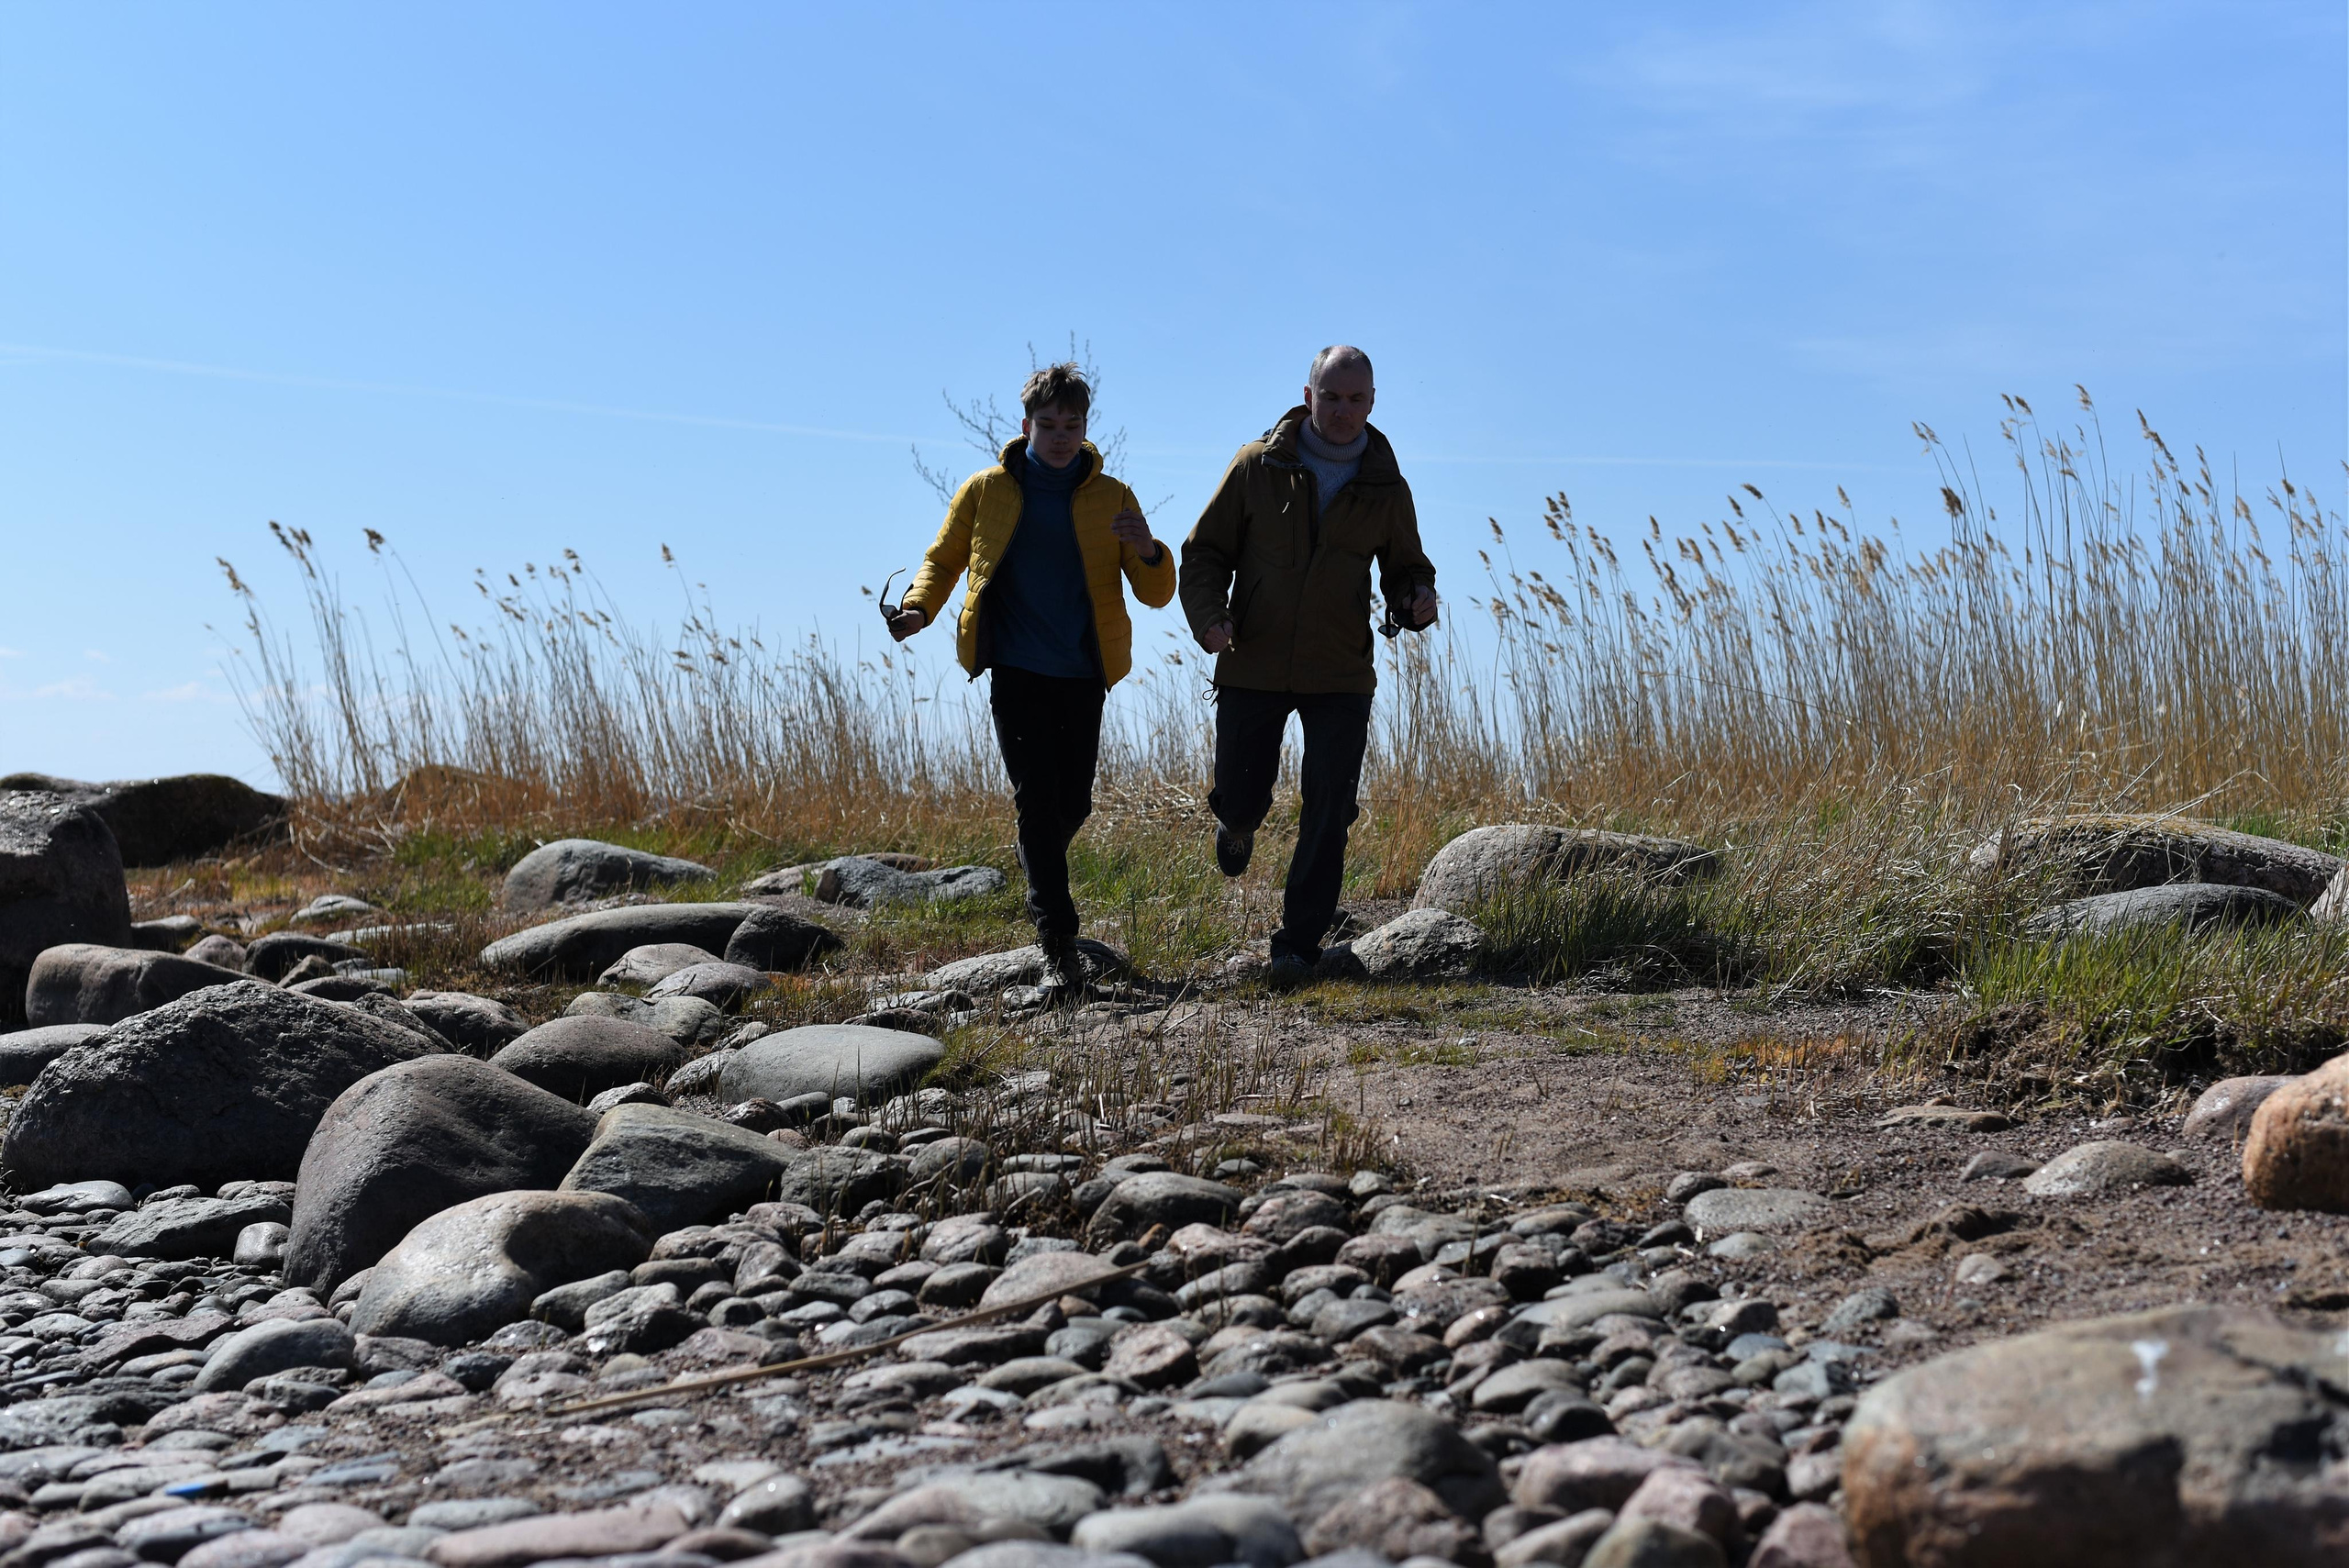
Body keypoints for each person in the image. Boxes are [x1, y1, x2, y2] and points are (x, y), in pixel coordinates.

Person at [886, 361, 1174, 992]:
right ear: (1026, 426)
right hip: (1014, 668)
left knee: (1072, 803)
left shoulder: (1112, 496)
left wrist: (1151, 549)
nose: (1061, 435)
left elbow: (1154, 592)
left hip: (1082, 669)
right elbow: (943, 558)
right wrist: (918, 608)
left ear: (1085, 427)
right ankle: (1058, 941)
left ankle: (1034, 856)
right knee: (1035, 799)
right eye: (1048, 424)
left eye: (1072, 424)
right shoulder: (987, 489)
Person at [1179, 345, 1438, 984]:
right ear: (1307, 396)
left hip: (1340, 672)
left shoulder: (1385, 485)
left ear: (1372, 403)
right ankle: (1236, 825)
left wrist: (1415, 599)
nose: (1343, 410)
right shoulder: (1256, 466)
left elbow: (1406, 566)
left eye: (1356, 399)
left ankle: (1297, 944)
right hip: (1251, 660)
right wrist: (1210, 616)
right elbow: (1204, 551)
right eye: (1332, 396)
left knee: (1330, 806)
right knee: (1242, 794)